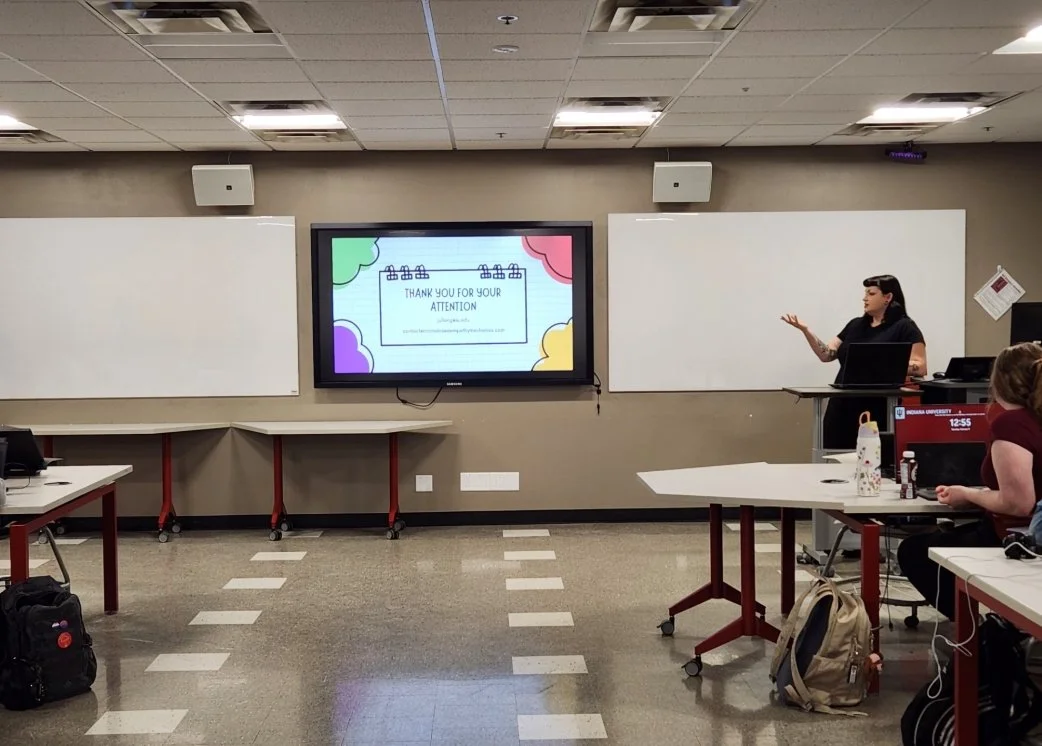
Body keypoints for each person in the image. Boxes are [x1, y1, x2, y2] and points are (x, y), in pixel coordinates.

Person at [897, 342, 1042, 620]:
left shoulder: (1012, 424)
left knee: (916, 552)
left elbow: (1018, 503)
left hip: (1018, 539)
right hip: (1029, 532)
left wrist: (968, 494)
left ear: (999, 382)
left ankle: (979, 631)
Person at [782, 274, 928, 449]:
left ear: (887, 297)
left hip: (878, 406)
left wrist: (884, 363)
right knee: (832, 452)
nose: (864, 298)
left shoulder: (904, 327)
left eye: (871, 294)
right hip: (841, 405)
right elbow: (826, 354)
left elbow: (920, 366)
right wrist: (806, 331)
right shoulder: (855, 325)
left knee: (871, 456)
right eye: (865, 293)